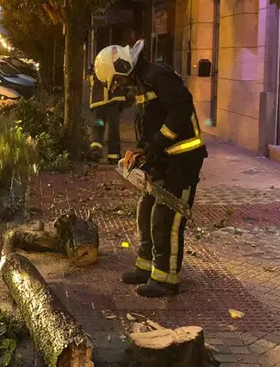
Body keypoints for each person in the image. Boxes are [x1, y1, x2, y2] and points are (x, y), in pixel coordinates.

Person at [93, 41, 207, 297]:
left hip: (184, 159)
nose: (122, 88)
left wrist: (155, 145)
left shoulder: (159, 77)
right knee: (146, 210)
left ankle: (167, 280)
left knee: (167, 217)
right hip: (166, 159)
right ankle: (147, 268)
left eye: (119, 82)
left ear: (124, 69)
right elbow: (150, 120)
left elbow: (180, 110)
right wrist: (143, 150)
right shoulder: (144, 81)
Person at [88, 69, 126, 164]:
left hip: (98, 103)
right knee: (113, 129)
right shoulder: (115, 64)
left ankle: (95, 150)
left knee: (98, 126)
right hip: (111, 104)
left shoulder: (98, 65)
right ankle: (113, 156)